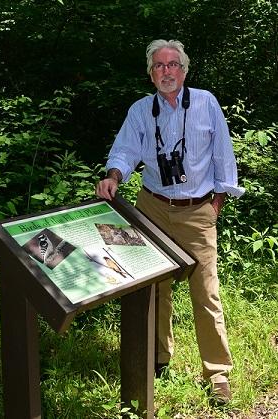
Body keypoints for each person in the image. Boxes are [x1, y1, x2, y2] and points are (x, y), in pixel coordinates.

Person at [96, 39, 245, 404]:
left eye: (173, 64)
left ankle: (217, 374)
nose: (167, 71)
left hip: (197, 210)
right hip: (153, 207)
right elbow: (125, 151)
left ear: (184, 70)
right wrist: (114, 175)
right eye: (159, 66)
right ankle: (158, 359)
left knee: (205, 292)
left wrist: (216, 203)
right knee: (155, 288)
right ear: (151, 74)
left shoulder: (207, 103)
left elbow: (224, 156)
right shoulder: (141, 111)